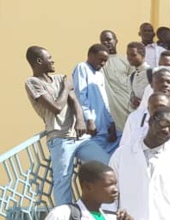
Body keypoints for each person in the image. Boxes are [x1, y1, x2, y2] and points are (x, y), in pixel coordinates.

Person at [25, 46, 110, 206]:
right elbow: (56, 108)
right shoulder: (32, 83)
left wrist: (80, 120)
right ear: (39, 61)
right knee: (63, 180)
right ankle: (65, 216)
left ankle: (103, 206)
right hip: (60, 138)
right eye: (49, 58)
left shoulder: (59, 78)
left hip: (80, 137)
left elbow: (74, 101)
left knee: (108, 164)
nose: (53, 61)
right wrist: (65, 88)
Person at [73, 44, 118, 155]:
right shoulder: (82, 67)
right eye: (101, 59)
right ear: (91, 56)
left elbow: (104, 100)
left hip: (104, 126)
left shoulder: (99, 74)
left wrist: (111, 122)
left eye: (105, 61)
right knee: (97, 161)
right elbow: (80, 96)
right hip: (92, 128)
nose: (103, 64)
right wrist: (89, 119)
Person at [99, 31, 133, 132]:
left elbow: (134, 82)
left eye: (109, 39)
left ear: (116, 40)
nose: (106, 43)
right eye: (103, 41)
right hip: (108, 109)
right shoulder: (98, 62)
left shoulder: (126, 60)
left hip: (126, 105)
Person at [127, 42, 151, 110]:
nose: (129, 58)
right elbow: (131, 96)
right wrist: (133, 100)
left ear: (142, 55)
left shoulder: (152, 73)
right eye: (128, 55)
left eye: (133, 55)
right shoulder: (131, 77)